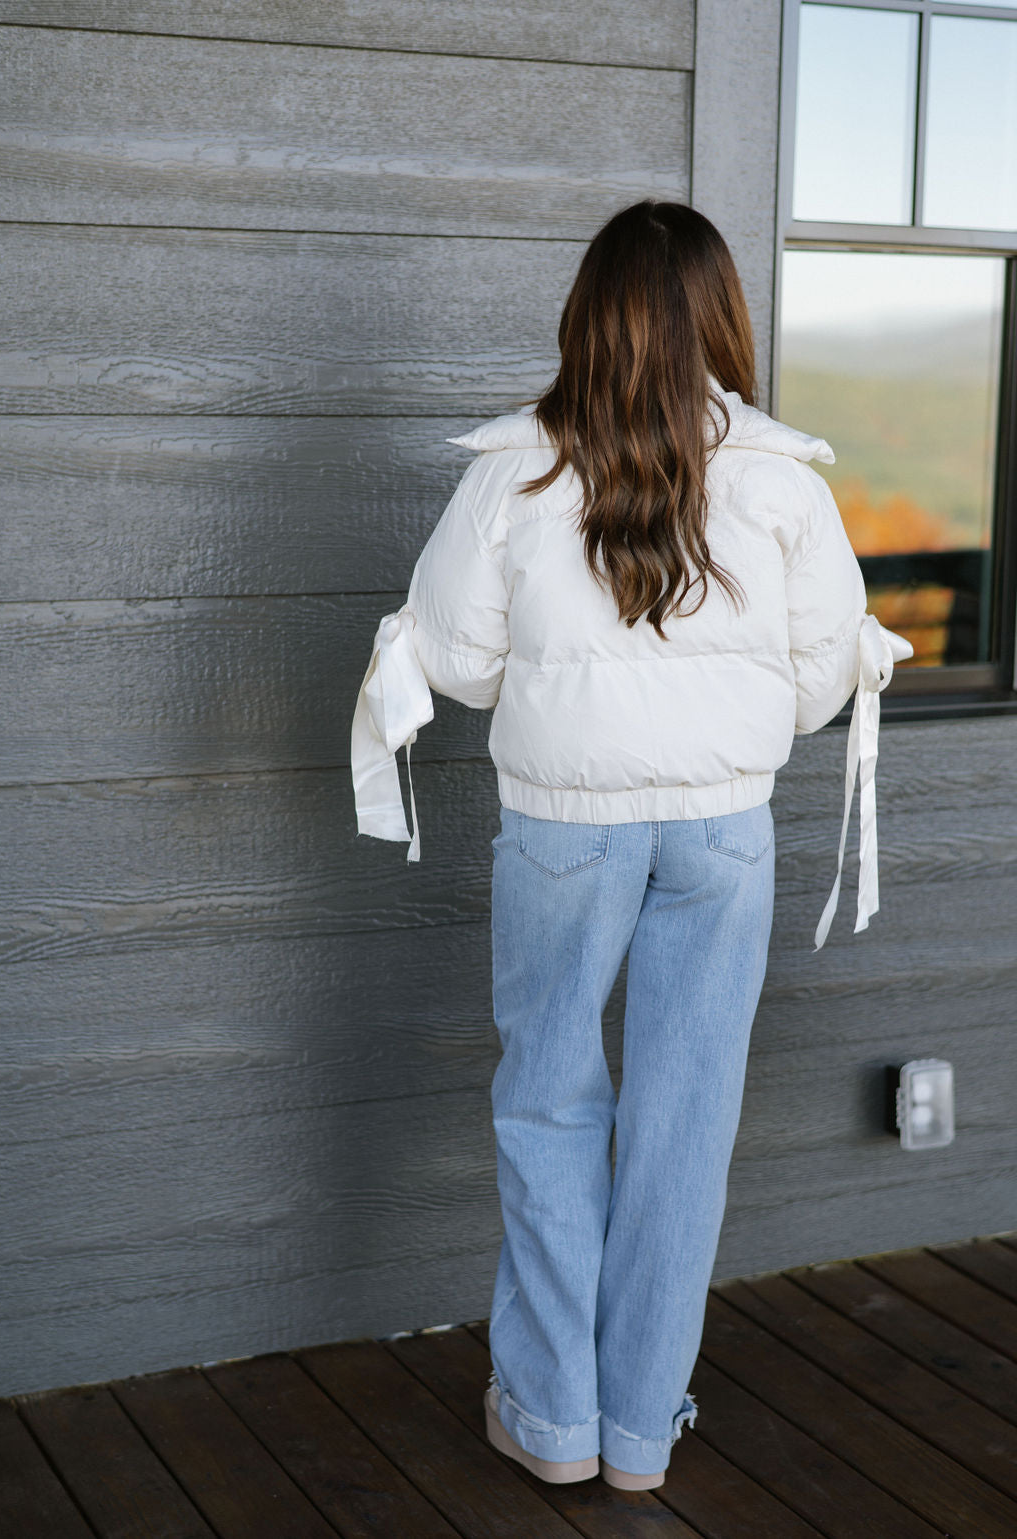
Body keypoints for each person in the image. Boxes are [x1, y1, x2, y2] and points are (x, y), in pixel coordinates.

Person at [350, 200, 912, 1492]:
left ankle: (548, 1423)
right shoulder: (782, 479)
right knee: (685, 1122)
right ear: (721, 318)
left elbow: (464, 668)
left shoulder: (514, 471)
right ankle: (642, 1435)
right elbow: (826, 682)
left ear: (586, 316)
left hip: (562, 828)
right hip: (724, 834)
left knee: (550, 1105)